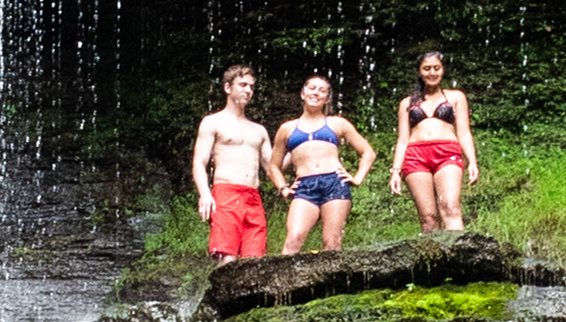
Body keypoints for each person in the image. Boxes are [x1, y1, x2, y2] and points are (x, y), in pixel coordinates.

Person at [274, 75, 372, 253]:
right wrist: (283, 187)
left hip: (334, 183)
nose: (316, 93)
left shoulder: (337, 123)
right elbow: (273, 166)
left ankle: (331, 281)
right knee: (294, 238)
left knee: (332, 242)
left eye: (322, 90)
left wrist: (358, 178)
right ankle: (284, 281)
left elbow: (368, 153)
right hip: (304, 186)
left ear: (327, 99)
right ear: (302, 94)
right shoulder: (287, 129)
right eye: (311, 88)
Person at [191, 63, 278, 262]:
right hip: (226, 193)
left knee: (254, 262)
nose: (248, 90)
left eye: (251, 87)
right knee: (228, 257)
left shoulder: (259, 130)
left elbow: (273, 168)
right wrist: (205, 194)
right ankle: (222, 294)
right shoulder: (213, 122)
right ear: (228, 88)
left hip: (253, 196)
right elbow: (199, 162)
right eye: (243, 85)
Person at [392, 47, 479, 233]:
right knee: (427, 217)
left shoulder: (456, 97)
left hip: (448, 153)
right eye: (427, 68)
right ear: (419, 72)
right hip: (415, 156)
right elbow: (402, 140)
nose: (432, 72)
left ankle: (458, 258)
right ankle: (434, 261)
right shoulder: (407, 103)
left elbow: (464, 132)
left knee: (450, 206)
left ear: (443, 70)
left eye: (436, 68)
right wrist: (395, 171)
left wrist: (472, 161)